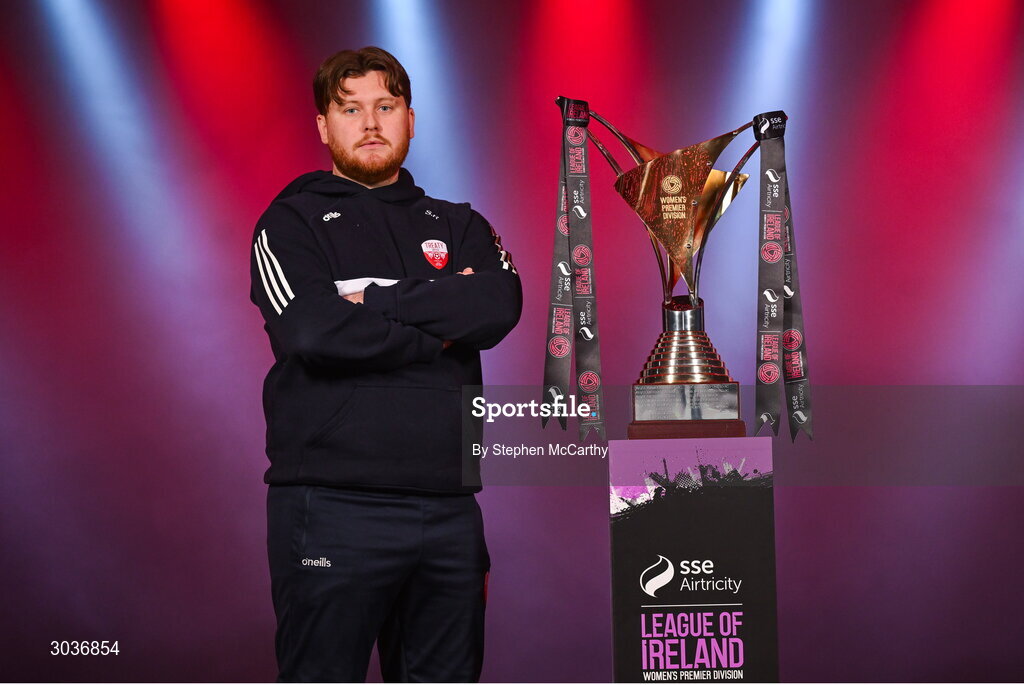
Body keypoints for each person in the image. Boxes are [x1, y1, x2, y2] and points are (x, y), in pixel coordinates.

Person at [249, 46, 522, 682]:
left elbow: (497, 305)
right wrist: (441, 329)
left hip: (449, 510)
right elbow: (313, 332)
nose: (369, 123)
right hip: (331, 508)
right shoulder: (291, 223)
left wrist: (373, 300)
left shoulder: (458, 225)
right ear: (324, 125)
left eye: (385, 106)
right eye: (350, 109)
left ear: (410, 119)